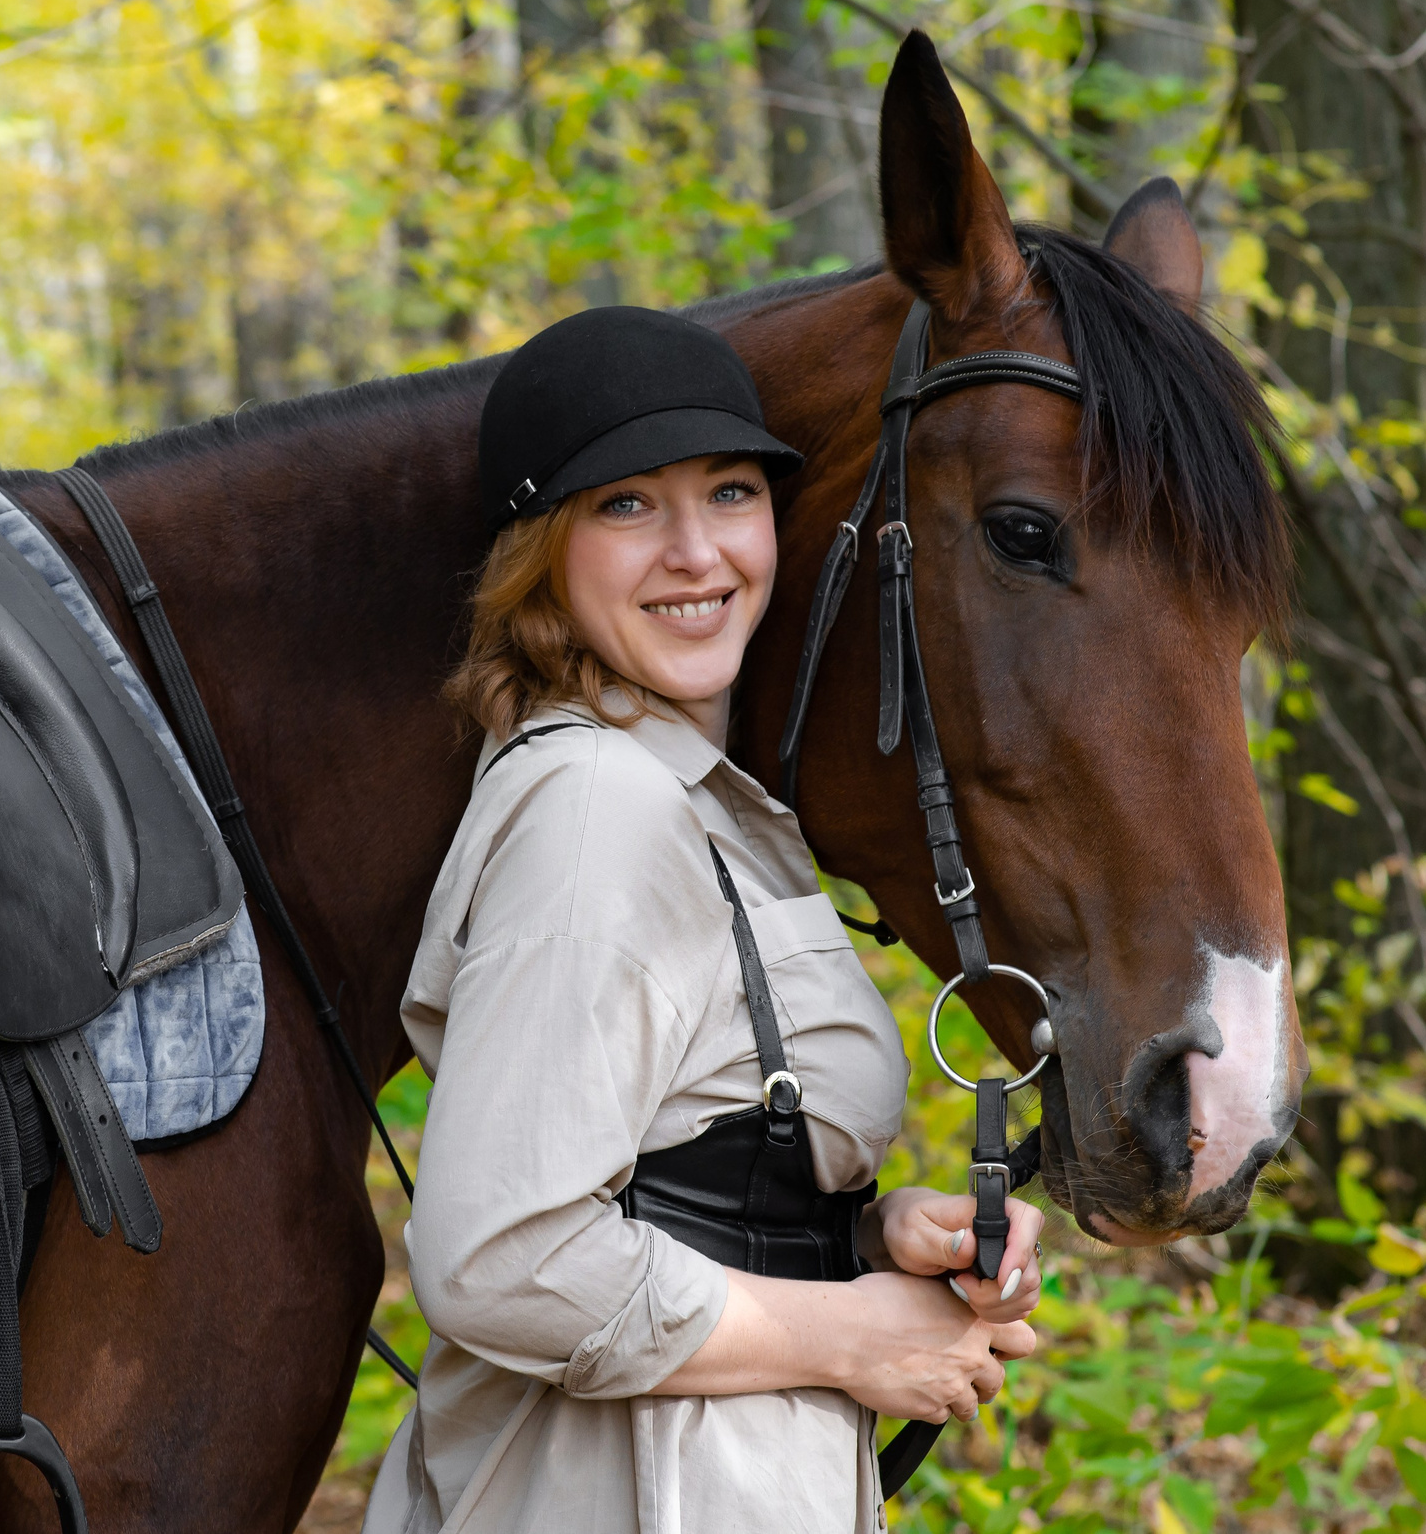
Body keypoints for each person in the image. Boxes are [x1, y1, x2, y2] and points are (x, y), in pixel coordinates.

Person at [362, 306, 1045, 1534]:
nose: (697, 551)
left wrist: (872, 1238)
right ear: (542, 551)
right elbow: (498, 1253)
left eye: (730, 491)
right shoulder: (593, 810)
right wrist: (842, 1331)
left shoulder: (696, 805)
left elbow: (660, 1181)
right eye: (626, 504)